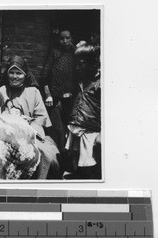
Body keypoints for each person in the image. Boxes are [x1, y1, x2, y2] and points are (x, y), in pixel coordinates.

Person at [0, 55, 61, 179]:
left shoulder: (34, 92)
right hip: (6, 135)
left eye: (18, 73)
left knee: (50, 157)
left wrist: (27, 123)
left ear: (25, 75)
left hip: (31, 134)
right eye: (12, 72)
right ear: (7, 74)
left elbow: (41, 117)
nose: (15, 77)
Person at [65, 43, 101, 179]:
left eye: (81, 64)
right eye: (76, 64)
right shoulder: (82, 81)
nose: (78, 68)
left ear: (93, 63)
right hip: (77, 129)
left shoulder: (100, 83)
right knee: (76, 162)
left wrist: (102, 134)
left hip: (91, 131)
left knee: (89, 165)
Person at [40, 28, 76, 153]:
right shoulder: (54, 52)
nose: (65, 41)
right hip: (54, 99)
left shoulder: (74, 53)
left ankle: (66, 158)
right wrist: (48, 95)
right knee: (56, 129)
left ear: (72, 38)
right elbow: (44, 76)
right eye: (62, 38)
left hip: (70, 98)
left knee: (68, 128)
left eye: (68, 38)